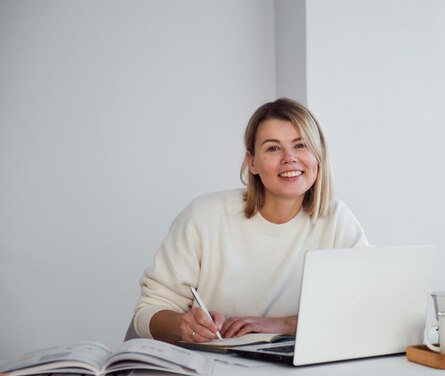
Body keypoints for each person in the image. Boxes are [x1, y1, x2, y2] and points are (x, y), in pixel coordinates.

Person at [133, 98, 369, 346]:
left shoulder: (337, 221)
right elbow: (148, 312)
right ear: (252, 162)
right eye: (273, 148)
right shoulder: (204, 216)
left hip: (301, 371)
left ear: (318, 155)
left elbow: (366, 308)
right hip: (213, 370)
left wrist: (285, 324)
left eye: (301, 145)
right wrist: (183, 326)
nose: (290, 158)